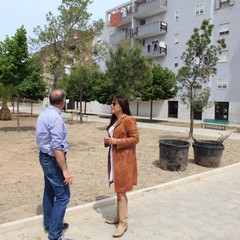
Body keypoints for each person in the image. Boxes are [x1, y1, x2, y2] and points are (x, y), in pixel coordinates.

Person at [36, 89, 73, 240]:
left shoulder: (43, 114)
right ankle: (55, 235)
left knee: (49, 191)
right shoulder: (56, 118)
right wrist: (65, 170)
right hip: (53, 160)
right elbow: (58, 149)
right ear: (63, 102)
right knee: (63, 196)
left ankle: (50, 223)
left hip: (44, 157)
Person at [104, 96, 139, 238]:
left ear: (121, 105)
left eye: (114, 104)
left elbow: (135, 139)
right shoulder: (115, 120)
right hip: (114, 159)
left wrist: (115, 141)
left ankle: (123, 224)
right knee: (118, 190)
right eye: (111, 103)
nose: (111, 105)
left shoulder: (128, 120)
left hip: (124, 161)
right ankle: (119, 218)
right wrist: (108, 141)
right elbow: (114, 139)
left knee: (121, 191)